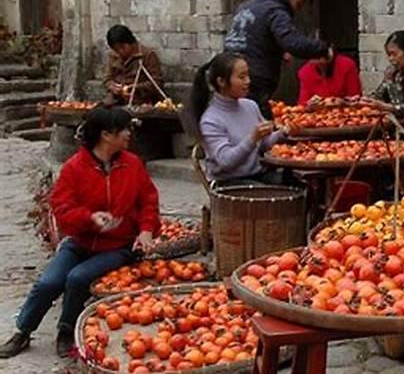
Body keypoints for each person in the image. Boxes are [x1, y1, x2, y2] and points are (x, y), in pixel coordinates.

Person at [0, 107, 159, 359]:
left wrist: (146, 230)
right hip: (80, 241)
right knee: (47, 282)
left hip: (117, 246)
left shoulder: (133, 165)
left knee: (77, 278)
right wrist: (89, 218)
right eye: (125, 129)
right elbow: (61, 208)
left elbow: (148, 200)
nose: (129, 134)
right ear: (107, 135)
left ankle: (66, 330)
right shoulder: (75, 168)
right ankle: (23, 331)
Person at [224, 0, 329, 118]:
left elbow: (255, 37)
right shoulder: (275, 10)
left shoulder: (248, 5)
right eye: (298, 5)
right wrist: (323, 49)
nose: (296, 11)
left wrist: (278, 50)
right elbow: (293, 42)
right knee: (258, 125)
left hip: (230, 72)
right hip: (253, 78)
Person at [189, 52, 290, 186]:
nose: (248, 81)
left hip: (258, 175)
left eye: (248, 75)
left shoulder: (250, 106)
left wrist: (284, 132)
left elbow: (264, 144)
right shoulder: (211, 120)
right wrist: (252, 138)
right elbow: (225, 161)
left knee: (298, 183)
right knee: (270, 196)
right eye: (241, 77)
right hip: (229, 182)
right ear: (222, 82)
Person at [103, 24, 164, 106]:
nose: (120, 51)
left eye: (123, 47)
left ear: (131, 42)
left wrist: (135, 88)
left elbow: (157, 83)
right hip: (116, 101)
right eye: (116, 49)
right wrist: (113, 87)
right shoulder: (114, 56)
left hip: (140, 102)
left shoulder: (147, 55)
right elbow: (107, 79)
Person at [297, 43, 362, 106]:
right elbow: (303, 103)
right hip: (317, 113)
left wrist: (343, 102)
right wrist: (310, 104)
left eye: (325, 63)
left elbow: (356, 97)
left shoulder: (347, 65)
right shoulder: (305, 72)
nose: (322, 66)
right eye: (318, 63)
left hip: (345, 111)